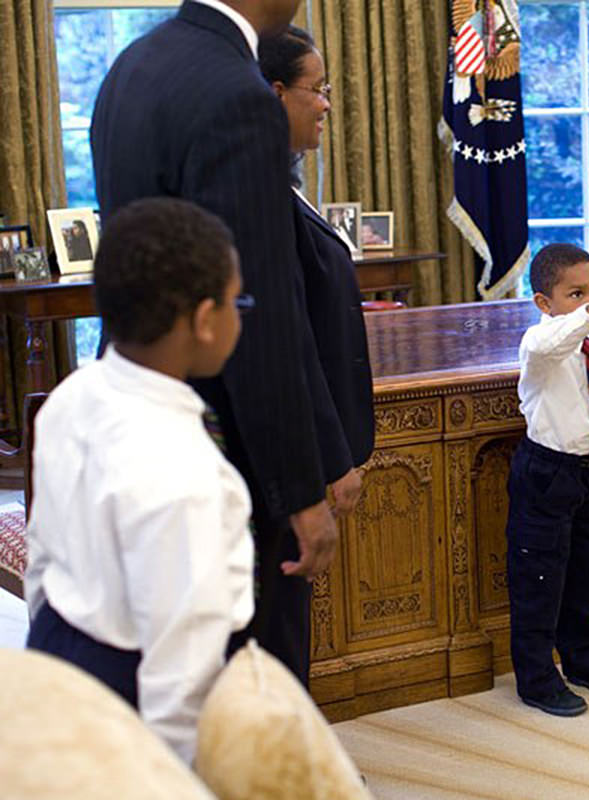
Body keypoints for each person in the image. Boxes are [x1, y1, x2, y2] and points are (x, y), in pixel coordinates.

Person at [90, 0, 338, 684]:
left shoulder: (132, 67)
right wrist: (300, 490)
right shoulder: (237, 94)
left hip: (139, 415)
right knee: (252, 674)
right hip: (224, 445)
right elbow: (259, 310)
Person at [24, 197, 253, 764]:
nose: (239, 316)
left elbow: (42, 557)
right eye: (235, 302)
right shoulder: (184, 470)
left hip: (57, 643)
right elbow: (182, 664)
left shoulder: (72, 397)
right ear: (204, 321)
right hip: (133, 686)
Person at [506, 243, 589, 717]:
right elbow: (551, 342)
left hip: (588, 474)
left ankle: (584, 658)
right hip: (545, 474)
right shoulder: (539, 348)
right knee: (540, 579)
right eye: (575, 293)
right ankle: (536, 678)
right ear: (544, 303)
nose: (588, 301)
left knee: (586, 575)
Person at [260, 25, 373, 517]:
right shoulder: (259, 196)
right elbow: (290, 340)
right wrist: (333, 458)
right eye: (318, 89)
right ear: (277, 93)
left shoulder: (282, 180)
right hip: (300, 457)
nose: (327, 104)